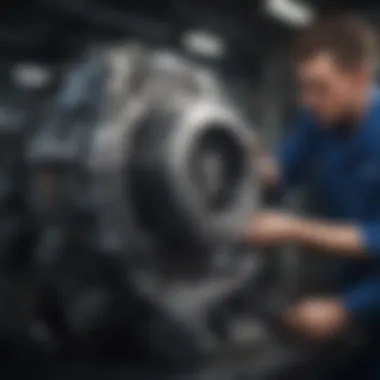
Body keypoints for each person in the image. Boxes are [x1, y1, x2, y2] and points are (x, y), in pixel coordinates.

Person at [248, 14, 380, 379]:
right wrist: (248, 165)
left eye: (319, 87)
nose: (308, 101)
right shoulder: (318, 121)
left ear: (361, 79)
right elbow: (277, 177)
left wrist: (346, 307)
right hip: (349, 289)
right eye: (303, 87)